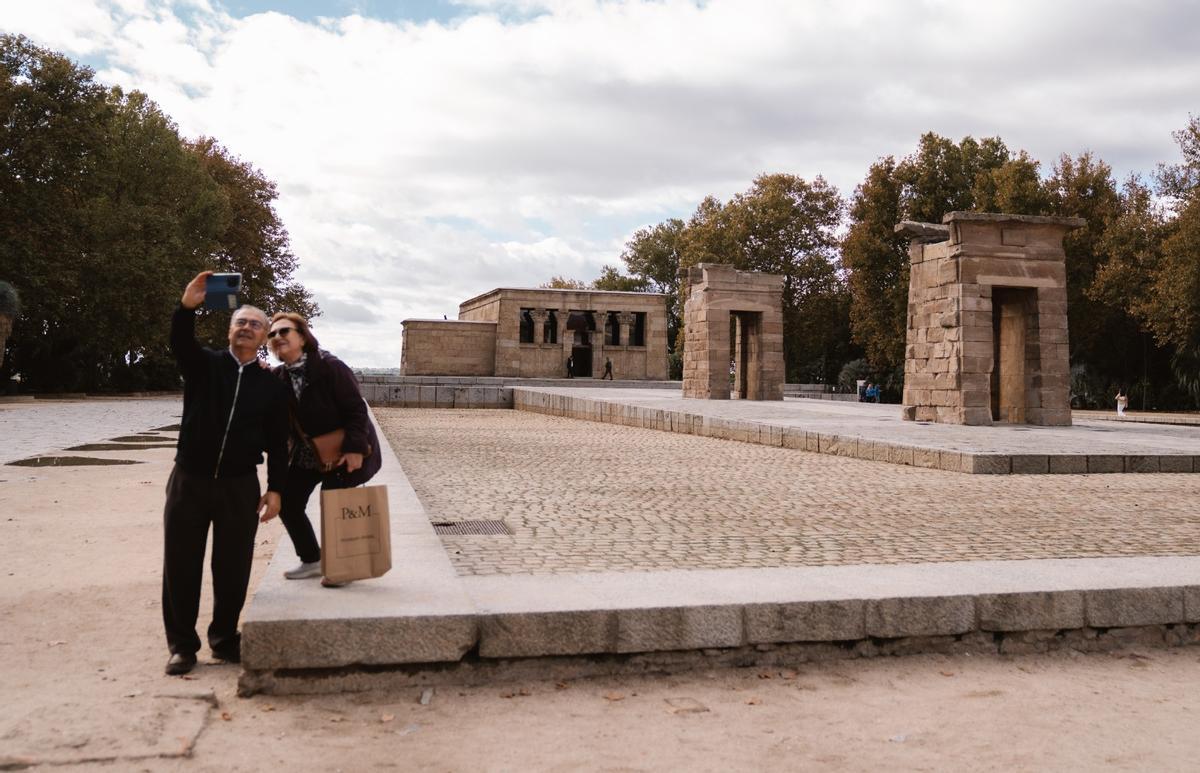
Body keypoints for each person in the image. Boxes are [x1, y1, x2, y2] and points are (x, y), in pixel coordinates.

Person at [163, 271, 288, 676]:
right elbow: (181, 342)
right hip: (190, 479)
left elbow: (278, 441)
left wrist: (276, 489)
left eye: (255, 325)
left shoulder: (270, 386)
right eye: (240, 323)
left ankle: (223, 638)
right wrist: (186, 307)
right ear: (230, 329)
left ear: (265, 335)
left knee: (233, 566)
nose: (247, 329)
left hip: (238, 484)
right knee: (181, 564)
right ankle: (182, 646)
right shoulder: (205, 365)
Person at [267, 312, 381, 588]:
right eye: (272, 334)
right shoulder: (279, 375)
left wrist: (355, 448)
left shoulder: (330, 367)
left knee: (336, 507)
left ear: (303, 337)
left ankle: (344, 567)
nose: (277, 337)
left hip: (342, 451)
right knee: (289, 503)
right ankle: (312, 560)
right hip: (309, 453)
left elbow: (356, 410)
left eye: (284, 331)